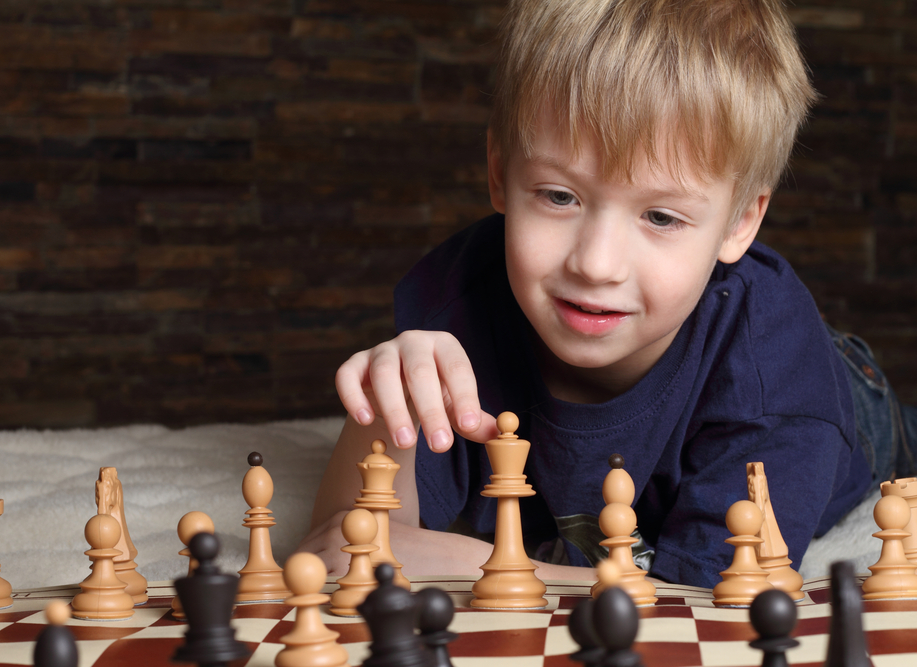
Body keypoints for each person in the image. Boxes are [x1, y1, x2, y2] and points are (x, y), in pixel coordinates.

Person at [298, 0, 917, 588]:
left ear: (739, 224)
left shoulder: (777, 387)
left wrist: (477, 562)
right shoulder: (456, 305)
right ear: (499, 173)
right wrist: (385, 405)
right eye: (559, 196)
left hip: (846, 393)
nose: (596, 265)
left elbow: (705, 597)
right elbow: (339, 542)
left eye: (661, 218)